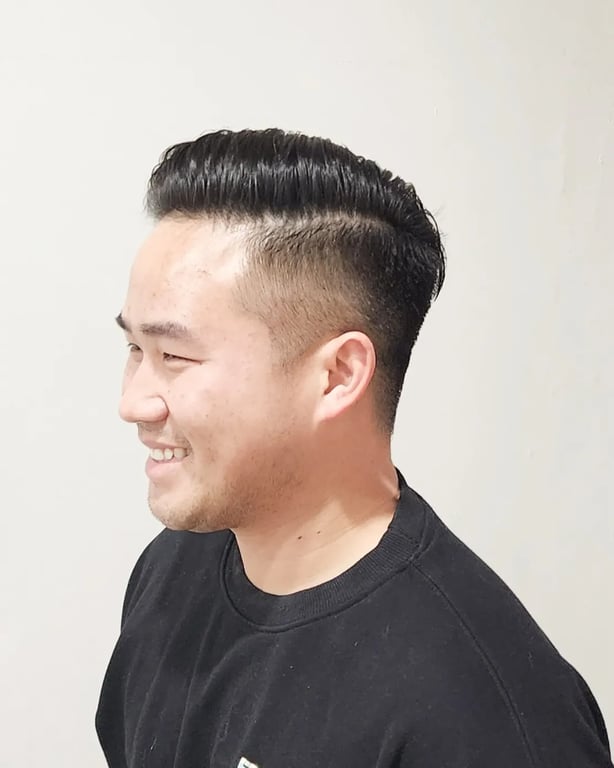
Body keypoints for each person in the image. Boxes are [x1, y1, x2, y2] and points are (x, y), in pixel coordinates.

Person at [96, 128, 612, 768]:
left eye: (174, 356)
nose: (133, 403)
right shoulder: (173, 570)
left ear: (338, 376)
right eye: (135, 349)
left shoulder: (482, 713)